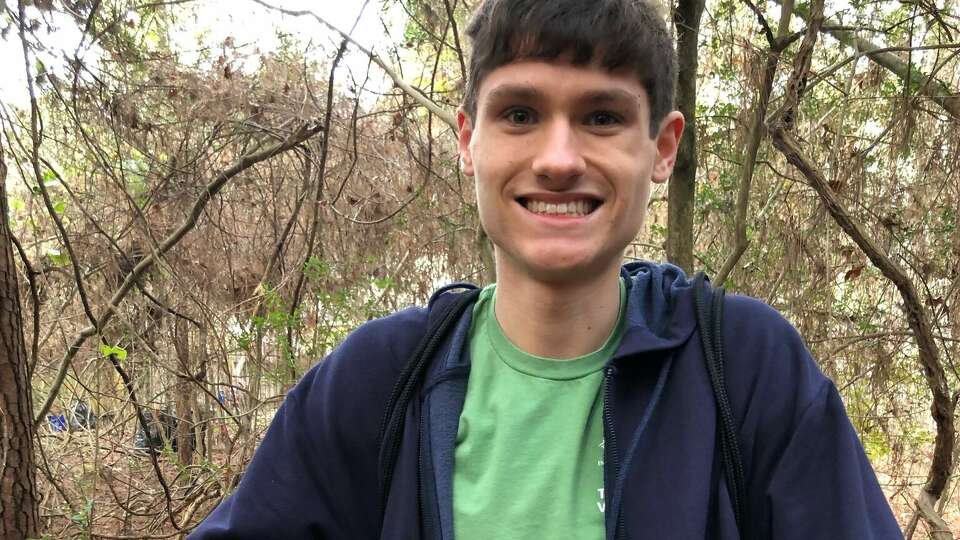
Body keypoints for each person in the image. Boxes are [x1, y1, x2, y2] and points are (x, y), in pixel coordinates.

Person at [190, 0, 903, 538]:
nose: (559, 159)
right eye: (521, 113)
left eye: (601, 117)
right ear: (469, 140)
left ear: (662, 148)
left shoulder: (747, 371)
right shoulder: (377, 382)